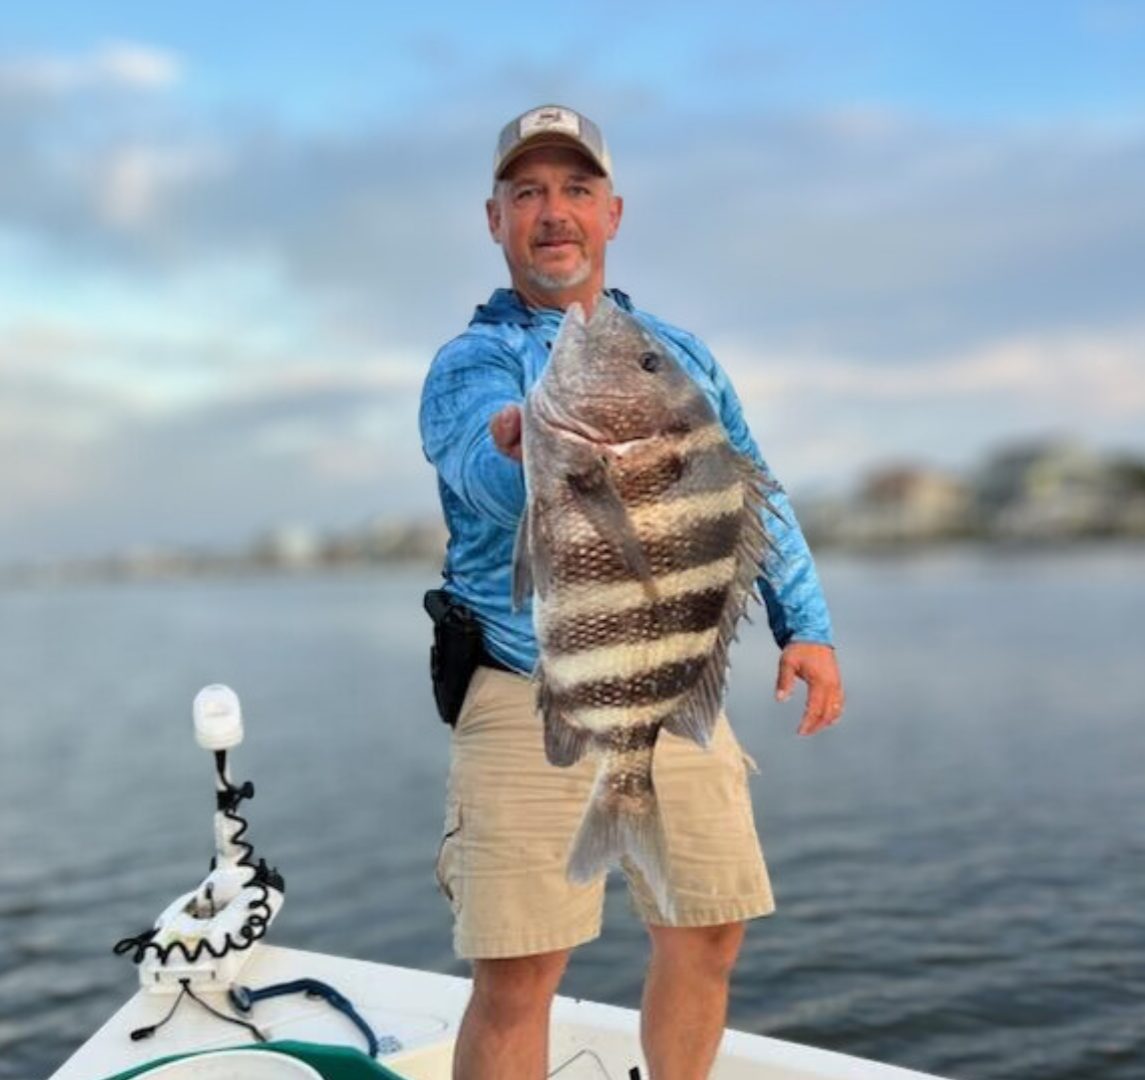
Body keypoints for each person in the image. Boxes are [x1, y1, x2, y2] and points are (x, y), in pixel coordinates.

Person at [419, 104, 845, 1080]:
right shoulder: (470, 364)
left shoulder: (677, 353)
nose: (553, 211)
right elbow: (476, 469)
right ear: (495, 220)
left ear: (612, 212)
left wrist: (806, 628)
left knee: (708, 935)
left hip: (667, 679)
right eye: (528, 191)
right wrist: (521, 444)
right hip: (519, 689)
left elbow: (752, 492)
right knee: (519, 972)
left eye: (574, 189)